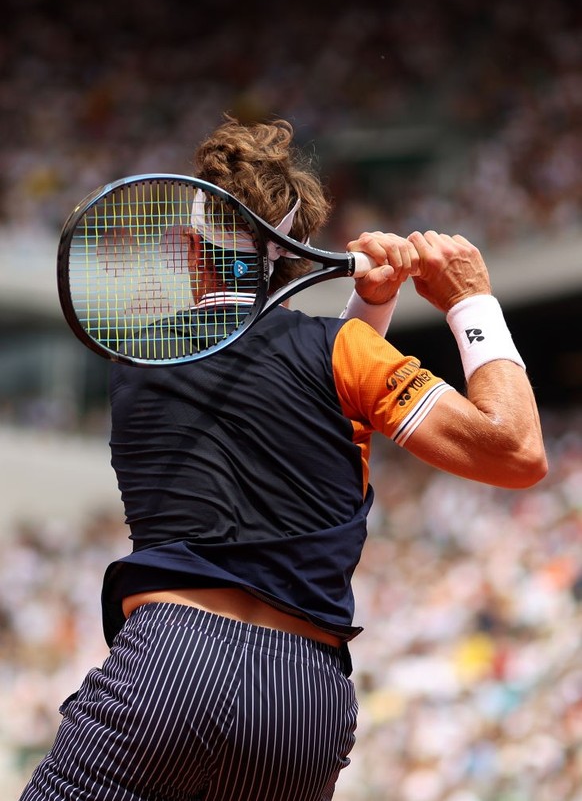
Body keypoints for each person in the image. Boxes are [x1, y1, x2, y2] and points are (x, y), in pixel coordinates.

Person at [19, 116, 547, 801]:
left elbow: (279, 393)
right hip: (302, 703)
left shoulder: (136, 356)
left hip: (168, 670)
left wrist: (369, 306)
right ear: (296, 254)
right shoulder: (346, 354)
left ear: (187, 249)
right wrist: (471, 298)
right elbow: (516, 451)